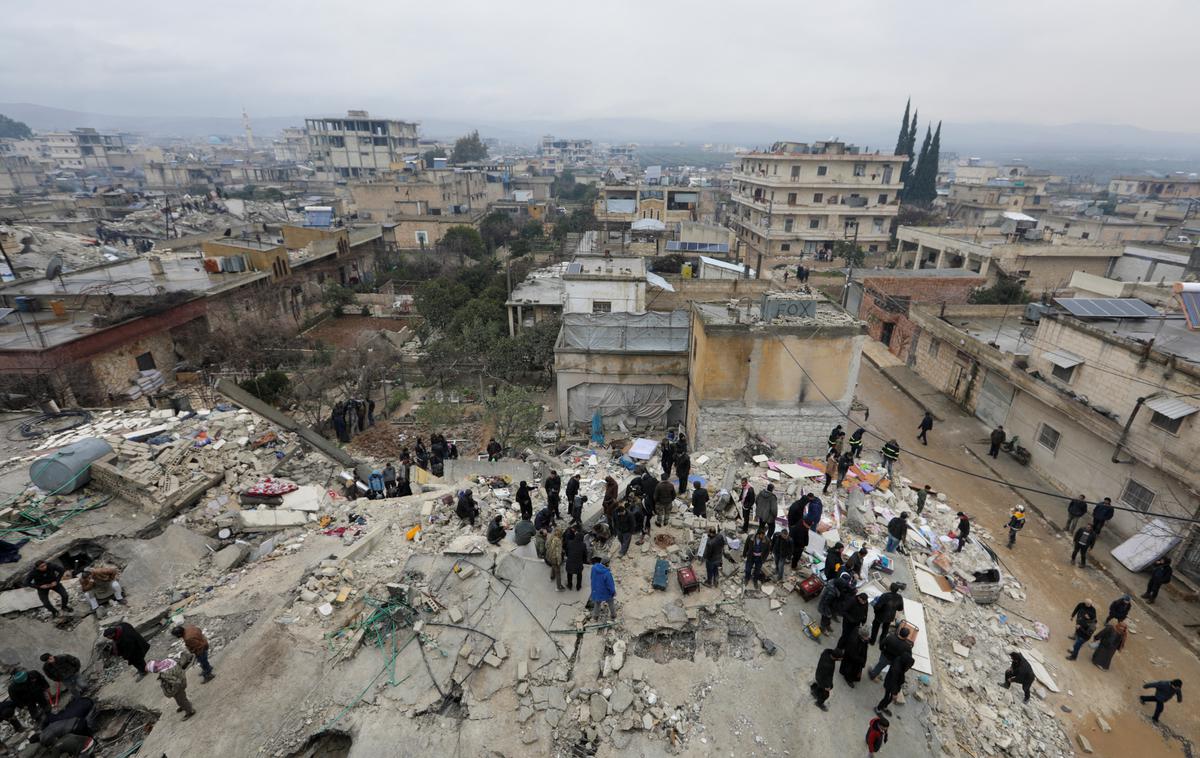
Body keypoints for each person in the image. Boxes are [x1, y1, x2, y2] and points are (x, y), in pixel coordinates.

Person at [876, 649, 913, 716]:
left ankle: (884, 707)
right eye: (909, 666)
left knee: (889, 698)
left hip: (894, 683)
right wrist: (894, 693)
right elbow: (894, 682)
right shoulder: (896, 669)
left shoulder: (900, 659)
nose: (909, 667)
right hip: (890, 684)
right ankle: (878, 709)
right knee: (887, 697)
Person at [787, 496, 810, 570]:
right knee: (793, 543)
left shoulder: (799, 504)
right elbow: (791, 516)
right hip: (793, 525)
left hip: (794, 525)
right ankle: (791, 558)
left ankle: (790, 555)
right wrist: (802, 546)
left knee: (792, 542)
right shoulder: (797, 507)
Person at [564, 527, 587, 591]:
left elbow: (567, 551)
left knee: (569, 574)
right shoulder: (583, 545)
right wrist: (584, 561)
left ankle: (570, 585)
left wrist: (569, 556)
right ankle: (578, 586)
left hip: (570, 562)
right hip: (578, 563)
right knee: (579, 574)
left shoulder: (570, 542)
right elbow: (585, 554)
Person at [545, 526, 564, 590]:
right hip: (555, 558)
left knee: (553, 566)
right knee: (558, 572)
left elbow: (546, 546)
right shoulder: (558, 541)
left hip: (549, 556)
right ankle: (559, 587)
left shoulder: (550, 537)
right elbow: (558, 553)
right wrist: (559, 561)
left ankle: (552, 577)